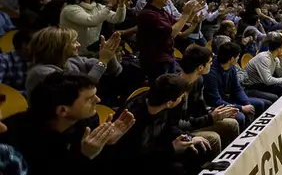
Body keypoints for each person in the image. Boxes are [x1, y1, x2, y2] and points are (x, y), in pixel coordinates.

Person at [4, 72, 135, 175]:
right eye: (89, 99)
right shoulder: (18, 137)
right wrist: (85, 156)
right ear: (62, 110)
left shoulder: (83, 123)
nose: (98, 100)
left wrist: (107, 145)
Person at [118, 74, 211, 174]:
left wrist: (188, 138)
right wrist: (172, 148)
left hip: (158, 147)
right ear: (169, 103)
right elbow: (139, 156)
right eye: (181, 97)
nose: (181, 99)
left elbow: (171, 126)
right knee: (176, 168)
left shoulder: (165, 103)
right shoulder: (132, 117)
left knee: (197, 148)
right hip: (135, 162)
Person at [177, 46, 239, 155]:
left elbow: (202, 106)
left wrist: (220, 112)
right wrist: (211, 117)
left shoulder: (199, 79)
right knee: (213, 138)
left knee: (232, 123)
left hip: (195, 121)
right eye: (210, 62)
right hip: (183, 129)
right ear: (200, 67)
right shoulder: (178, 87)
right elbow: (180, 123)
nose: (212, 64)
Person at [26, 26, 122, 95]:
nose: (79, 45)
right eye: (74, 42)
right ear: (59, 47)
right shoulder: (41, 72)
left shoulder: (72, 61)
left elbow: (115, 71)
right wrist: (103, 61)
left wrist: (109, 54)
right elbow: (80, 92)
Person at [136, 0, 201, 82]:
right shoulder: (148, 14)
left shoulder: (162, 12)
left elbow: (180, 25)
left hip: (167, 57)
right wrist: (185, 14)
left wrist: (192, 13)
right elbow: (172, 32)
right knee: (169, 89)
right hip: (156, 61)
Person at [203, 42, 267, 130]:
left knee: (259, 104)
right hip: (218, 105)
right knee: (240, 117)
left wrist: (247, 103)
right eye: (237, 56)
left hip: (229, 99)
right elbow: (216, 101)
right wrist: (241, 108)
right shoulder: (211, 74)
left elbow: (237, 88)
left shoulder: (231, 67)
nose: (238, 58)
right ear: (232, 59)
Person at [59, 0, 130, 54]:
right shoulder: (70, 8)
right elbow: (91, 21)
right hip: (71, 52)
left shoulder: (98, 7)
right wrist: (109, 6)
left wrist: (121, 5)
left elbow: (117, 19)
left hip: (91, 51)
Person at [242, 32, 282, 96]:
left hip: (261, 84)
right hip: (251, 87)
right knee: (279, 89)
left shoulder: (275, 58)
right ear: (279, 49)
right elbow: (268, 80)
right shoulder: (264, 58)